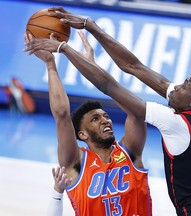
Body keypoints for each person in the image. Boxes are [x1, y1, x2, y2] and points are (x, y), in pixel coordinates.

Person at [25, 7, 191, 215]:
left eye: (183, 87)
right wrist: (91, 26)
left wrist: (64, 48)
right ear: (82, 134)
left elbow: (110, 87)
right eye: (95, 119)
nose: (175, 86)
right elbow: (133, 65)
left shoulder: (159, 132)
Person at [24, 31, 152, 215]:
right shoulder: (75, 163)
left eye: (105, 116)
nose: (105, 120)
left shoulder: (129, 151)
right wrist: (50, 64)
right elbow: (61, 114)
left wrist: (94, 70)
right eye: (95, 119)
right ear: (82, 134)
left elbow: (136, 111)